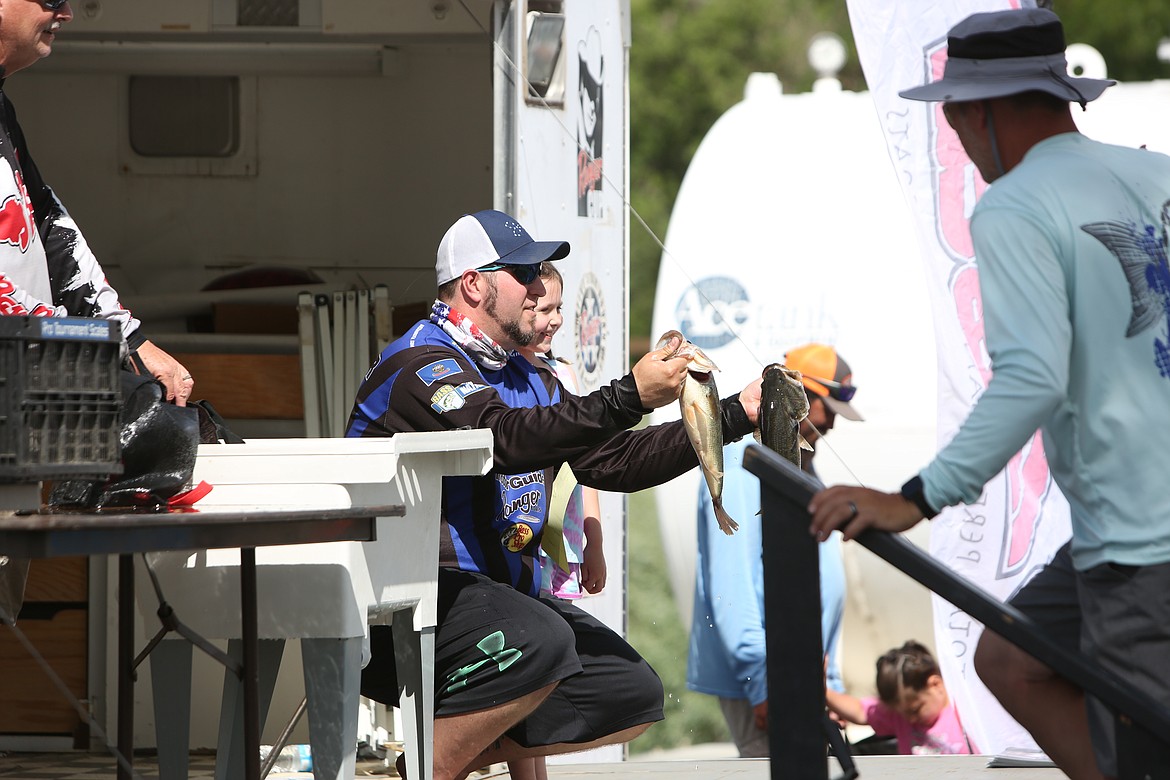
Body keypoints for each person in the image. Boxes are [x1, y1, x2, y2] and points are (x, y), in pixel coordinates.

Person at [807, 8, 1170, 780]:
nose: (960, 143)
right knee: (1008, 659)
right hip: (1129, 533)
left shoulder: (1012, 205)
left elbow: (1032, 378)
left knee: (1144, 747)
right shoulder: (1157, 175)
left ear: (979, 111)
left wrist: (914, 498)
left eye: (955, 118)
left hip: (1137, 549)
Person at [346, 208, 763, 780]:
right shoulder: (423, 362)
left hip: (497, 608)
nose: (540, 285)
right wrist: (628, 397)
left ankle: (428, 762)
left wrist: (736, 413)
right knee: (539, 639)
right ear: (474, 284)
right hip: (398, 609)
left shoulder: (532, 375)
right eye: (524, 273)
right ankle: (430, 771)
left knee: (630, 690)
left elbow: (615, 463)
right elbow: (506, 439)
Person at [0, 0, 193, 404]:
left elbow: (50, 228)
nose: (66, 13)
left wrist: (128, 339)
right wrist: (74, 349)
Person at [687, 343, 861, 757]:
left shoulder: (802, 460)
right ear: (804, 396)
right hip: (770, 683)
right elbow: (732, 588)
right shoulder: (743, 458)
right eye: (830, 409)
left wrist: (828, 687)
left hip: (800, 681)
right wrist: (763, 684)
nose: (834, 423)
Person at [508, 262, 607, 780]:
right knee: (528, 667)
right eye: (541, 309)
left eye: (558, 308)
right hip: (515, 547)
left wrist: (594, 538)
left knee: (547, 669)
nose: (553, 320)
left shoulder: (563, 375)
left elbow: (586, 467)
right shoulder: (497, 376)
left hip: (559, 546)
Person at [825, 640, 974, 756]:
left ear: (935, 684)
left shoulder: (966, 710)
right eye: (902, 713)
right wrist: (823, 690)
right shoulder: (900, 716)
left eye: (915, 710)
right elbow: (859, 711)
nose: (910, 719)